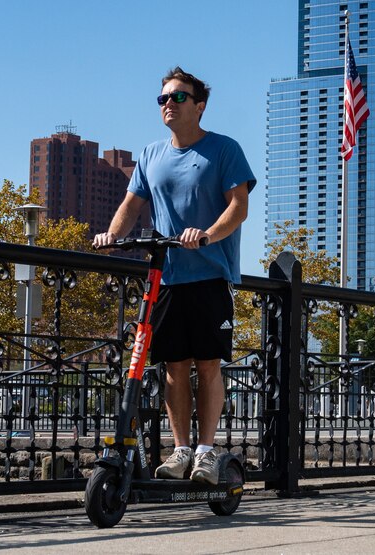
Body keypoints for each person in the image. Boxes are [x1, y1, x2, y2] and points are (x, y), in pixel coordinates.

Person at [94, 67, 256, 485]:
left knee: (208, 365)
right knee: (172, 367)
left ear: (200, 106)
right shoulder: (150, 155)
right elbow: (132, 205)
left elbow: (239, 206)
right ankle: (181, 450)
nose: (169, 103)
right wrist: (112, 235)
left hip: (209, 274)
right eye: (164, 98)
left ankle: (205, 452)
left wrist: (207, 236)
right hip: (166, 278)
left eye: (179, 97)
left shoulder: (224, 149)